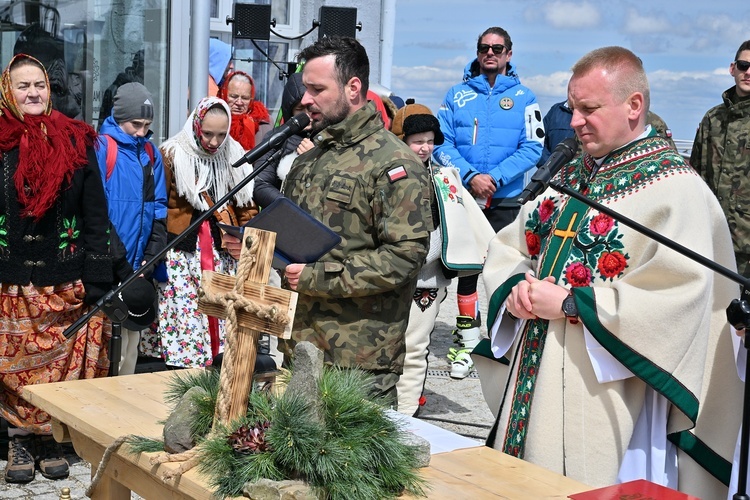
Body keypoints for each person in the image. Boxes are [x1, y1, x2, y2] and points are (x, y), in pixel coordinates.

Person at [475, 46, 742, 498]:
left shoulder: (677, 190)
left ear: (634, 106)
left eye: (589, 108)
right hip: (535, 367)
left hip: (620, 391)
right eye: (573, 107)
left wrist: (569, 303)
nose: (574, 120)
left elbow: (683, 297)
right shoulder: (571, 174)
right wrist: (517, 285)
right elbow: (509, 244)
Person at [279, 36, 434, 403]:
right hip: (300, 348)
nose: (305, 99)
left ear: (352, 88)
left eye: (317, 89)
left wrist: (317, 276)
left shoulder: (394, 164)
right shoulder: (309, 160)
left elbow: (405, 256)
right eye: (306, 89)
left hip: (359, 364)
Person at [0, 54, 113, 483]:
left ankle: (50, 436)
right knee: (10, 367)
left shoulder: (75, 140)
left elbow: (95, 213)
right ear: (6, 91)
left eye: (40, 86)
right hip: (9, 280)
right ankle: (19, 440)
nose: (32, 93)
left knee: (58, 366)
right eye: (23, 85)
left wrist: (99, 273)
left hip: (63, 278)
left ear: (50, 90)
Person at [434, 26, 544, 379]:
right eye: (485, 48)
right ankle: (465, 344)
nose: (491, 53)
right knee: (467, 273)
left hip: (507, 200)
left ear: (509, 54)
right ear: (478, 51)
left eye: (498, 48)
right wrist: (470, 177)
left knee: (507, 273)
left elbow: (534, 147)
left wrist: (493, 177)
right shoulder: (456, 95)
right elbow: (440, 143)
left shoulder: (526, 97)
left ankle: (505, 345)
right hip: (465, 198)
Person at [390, 103, 494, 416]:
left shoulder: (444, 178)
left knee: (415, 347)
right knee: (387, 348)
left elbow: (469, 222)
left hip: (427, 279)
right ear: (401, 140)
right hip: (388, 276)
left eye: (429, 140)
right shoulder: (387, 174)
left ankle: (405, 415)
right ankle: (381, 409)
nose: (425, 147)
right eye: (417, 140)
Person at [139, 97, 257, 368]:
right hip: (182, 251)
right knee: (186, 309)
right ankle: (184, 371)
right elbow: (158, 204)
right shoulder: (171, 154)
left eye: (221, 134)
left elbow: (245, 203)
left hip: (222, 250)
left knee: (221, 309)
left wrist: (244, 236)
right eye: (207, 134)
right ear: (195, 125)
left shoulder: (234, 155)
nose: (214, 142)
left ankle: (218, 363)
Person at [96, 82, 168, 375]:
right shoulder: (102, 148)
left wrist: (148, 262)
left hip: (139, 268)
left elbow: (159, 209)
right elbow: (96, 211)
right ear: (118, 115)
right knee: (104, 352)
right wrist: (120, 262)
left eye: (147, 124)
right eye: (135, 124)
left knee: (129, 350)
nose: (141, 131)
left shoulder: (151, 155)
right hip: (111, 265)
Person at [691, 40, 750, 276]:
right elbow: (695, 175)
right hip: (713, 238)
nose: (748, 72)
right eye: (744, 65)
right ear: (732, 68)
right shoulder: (713, 119)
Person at [538, 99, 676, 167]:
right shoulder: (557, 111)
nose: (576, 122)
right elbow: (538, 144)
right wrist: (552, 168)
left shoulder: (654, 121)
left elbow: (669, 157)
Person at [253, 72, 313, 209]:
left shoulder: (331, 137)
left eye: (310, 108)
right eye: (299, 109)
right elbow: (260, 183)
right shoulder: (277, 137)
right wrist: (289, 208)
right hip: (285, 216)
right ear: (290, 111)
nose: (306, 114)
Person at [217, 70, 271, 151]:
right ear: (224, 94)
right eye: (233, 96)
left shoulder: (264, 122)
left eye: (245, 98)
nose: (239, 103)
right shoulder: (214, 118)